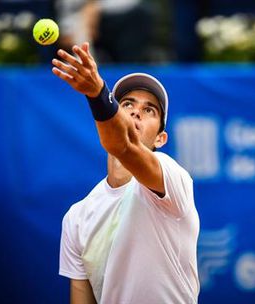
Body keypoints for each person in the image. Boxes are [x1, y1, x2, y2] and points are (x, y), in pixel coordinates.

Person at [53, 42, 200, 303]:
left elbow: (123, 145)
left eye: (149, 110)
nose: (135, 112)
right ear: (113, 117)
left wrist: (98, 93)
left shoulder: (172, 178)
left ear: (160, 139)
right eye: (128, 104)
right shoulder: (77, 218)